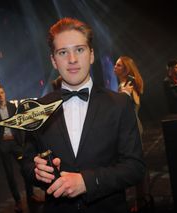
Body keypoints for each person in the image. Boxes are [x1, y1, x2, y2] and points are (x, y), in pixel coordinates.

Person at [22, 17, 145, 213]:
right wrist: (37, 172)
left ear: (91, 54)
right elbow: (27, 164)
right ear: (53, 60)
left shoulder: (120, 103)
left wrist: (88, 182)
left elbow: (135, 167)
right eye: (63, 52)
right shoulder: (36, 109)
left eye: (79, 49)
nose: (72, 60)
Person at [0, 84, 38, 212]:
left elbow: (20, 124)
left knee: (26, 169)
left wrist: (22, 141)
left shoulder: (12, 106)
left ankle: (31, 195)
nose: (0, 95)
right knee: (10, 175)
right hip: (3, 145)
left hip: (16, 143)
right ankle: (18, 201)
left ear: (4, 93)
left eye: (2, 92)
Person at [114, 56, 153, 213]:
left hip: (133, 127)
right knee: (135, 163)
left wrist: (123, 95)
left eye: (118, 65)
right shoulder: (124, 84)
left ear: (126, 68)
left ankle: (142, 199)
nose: (114, 67)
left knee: (138, 164)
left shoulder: (130, 83)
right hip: (130, 127)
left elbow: (135, 103)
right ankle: (142, 198)